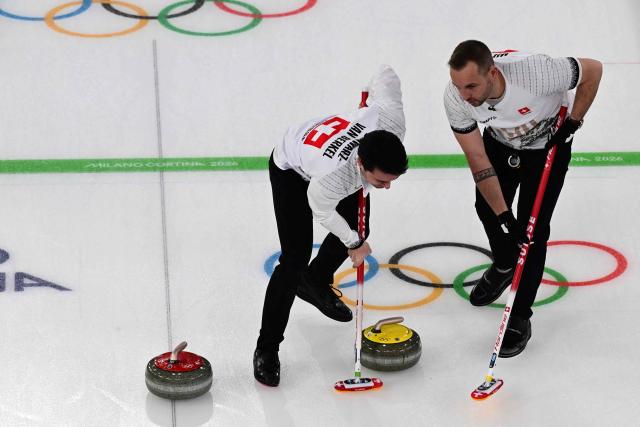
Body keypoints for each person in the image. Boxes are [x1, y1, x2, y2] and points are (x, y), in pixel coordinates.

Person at [444, 40, 602, 357]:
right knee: (487, 209)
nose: (465, 96)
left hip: (549, 145)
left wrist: (574, 122)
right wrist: (504, 215)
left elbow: (593, 70)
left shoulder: (537, 73)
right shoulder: (456, 98)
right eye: (459, 86)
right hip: (500, 144)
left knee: (533, 232)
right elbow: (477, 157)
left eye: (472, 86)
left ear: (492, 73)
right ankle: (504, 264)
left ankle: (519, 316)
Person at [254, 65, 408, 387]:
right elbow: (322, 211)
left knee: (358, 228)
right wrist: (353, 244)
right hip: (293, 169)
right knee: (294, 259)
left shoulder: (391, 121)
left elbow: (386, 74)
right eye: (382, 181)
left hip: (337, 160)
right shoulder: (334, 177)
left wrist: (367, 96)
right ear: (363, 165)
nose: (387, 187)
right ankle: (266, 349)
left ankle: (315, 281)